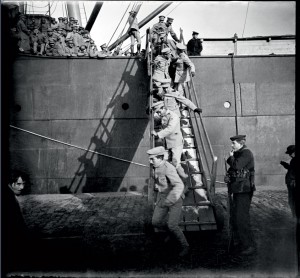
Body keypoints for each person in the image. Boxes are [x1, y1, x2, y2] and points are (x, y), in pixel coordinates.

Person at [147, 146, 190, 257]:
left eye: (153, 159)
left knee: (172, 225)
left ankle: (185, 246)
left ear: (161, 158)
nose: (150, 161)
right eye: (150, 159)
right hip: (162, 198)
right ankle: (171, 234)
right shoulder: (155, 166)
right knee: (155, 222)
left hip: (175, 199)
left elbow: (179, 185)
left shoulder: (168, 168)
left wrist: (168, 201)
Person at [226, 134, 256, 255]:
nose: (232, 145)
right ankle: (240, 242)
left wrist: (231, 157)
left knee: (241, 218)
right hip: (238, 189)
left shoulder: (246, 153)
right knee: (235, 217)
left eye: (234, 143)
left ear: (241, 143)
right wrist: (228, 176)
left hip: (244, 189)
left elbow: (237, 165)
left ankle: (249, 245)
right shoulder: (239, 153)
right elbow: (233, 168)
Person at [151, 101, 187, 179]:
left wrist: (158, 134)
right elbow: (157, 121)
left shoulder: (174, 116)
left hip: (176, 143)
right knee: (166, 163)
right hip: (167, 143)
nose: (158, 113)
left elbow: (170, 129)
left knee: (175, 163)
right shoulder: (162, 115)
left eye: (159, 111)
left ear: (163, 108)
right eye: (157, 112)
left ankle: (184, 183)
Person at [280, 145, 296, 217]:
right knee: (292, 201)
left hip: (293, 183)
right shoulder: (294, 160)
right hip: (291, 182)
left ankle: (295, 217)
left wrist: (286, 165)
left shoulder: (295, 160)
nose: (289, 155)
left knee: (292, 201)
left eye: (291, 153)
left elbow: (293, 170)